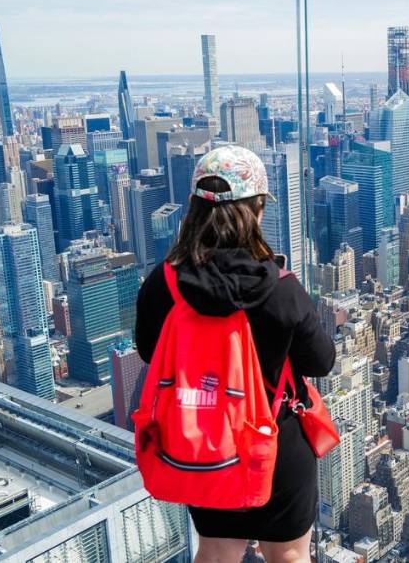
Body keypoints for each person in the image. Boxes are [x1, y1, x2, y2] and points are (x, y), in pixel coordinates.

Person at [135, 145, 335, 563]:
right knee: (290, 557)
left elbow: (150, 351)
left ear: (193, 210)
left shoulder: (164, 284)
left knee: (216, 552)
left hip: (205, 445)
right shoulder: (281, 288)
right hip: (278, 444)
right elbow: (321, 362)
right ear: (257, 211)